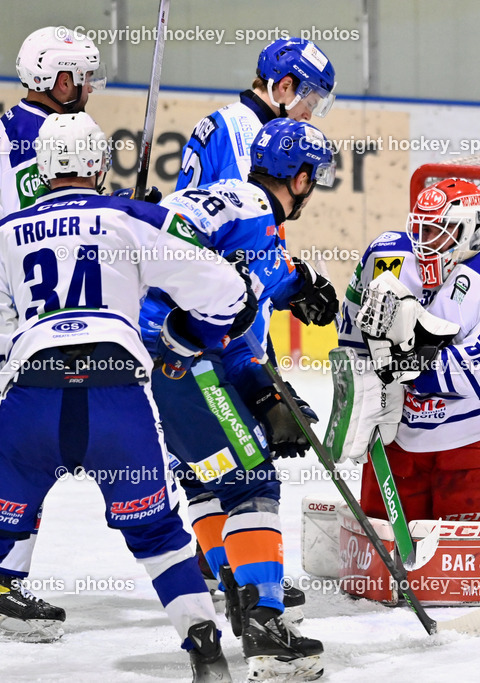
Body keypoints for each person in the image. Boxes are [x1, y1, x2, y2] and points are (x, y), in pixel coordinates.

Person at [0, 112, 248, 682]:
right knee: (158, 533)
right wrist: (194, 338)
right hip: (117, 401)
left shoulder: (3, 235)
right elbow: (228, 293)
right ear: (98, 164)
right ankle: (206, 653)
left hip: (31, 406)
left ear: (41, 168)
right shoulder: (130, 216)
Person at [139, 118, 339, 682]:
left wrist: (295, 288)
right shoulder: (254, 214)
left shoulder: (223, 202)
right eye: (312, 179)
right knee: (251, 482)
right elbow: (226, 314)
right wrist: (264, 385)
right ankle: (266, 629)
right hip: (185, 361)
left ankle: (237, 590)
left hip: (153, 361)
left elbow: (227, 307)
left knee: (207, 476)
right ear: (298, 180)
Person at [0, 25, 104, 641]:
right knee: (28, 443)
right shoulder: (38, 137)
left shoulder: (23, 124)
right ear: (55, 79)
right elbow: (44, 227)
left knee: (32, 440)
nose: (87, 87)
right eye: (80, 77)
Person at [334, 178, 480, 522]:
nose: (427, 243)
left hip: (479, 439)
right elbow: (351, 332)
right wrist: (364, 384)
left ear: (473, 229)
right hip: (400, 434)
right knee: (378, 563)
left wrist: (407, 367)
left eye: (443, 230)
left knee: (472, 567)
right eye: (422, 230)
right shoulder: (386, 255)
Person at [176, 36, 335, 191]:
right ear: (285, 86)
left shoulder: (226, 117)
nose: (308, 116)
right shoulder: (252, 140)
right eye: (310, 103)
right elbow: (248, 214)